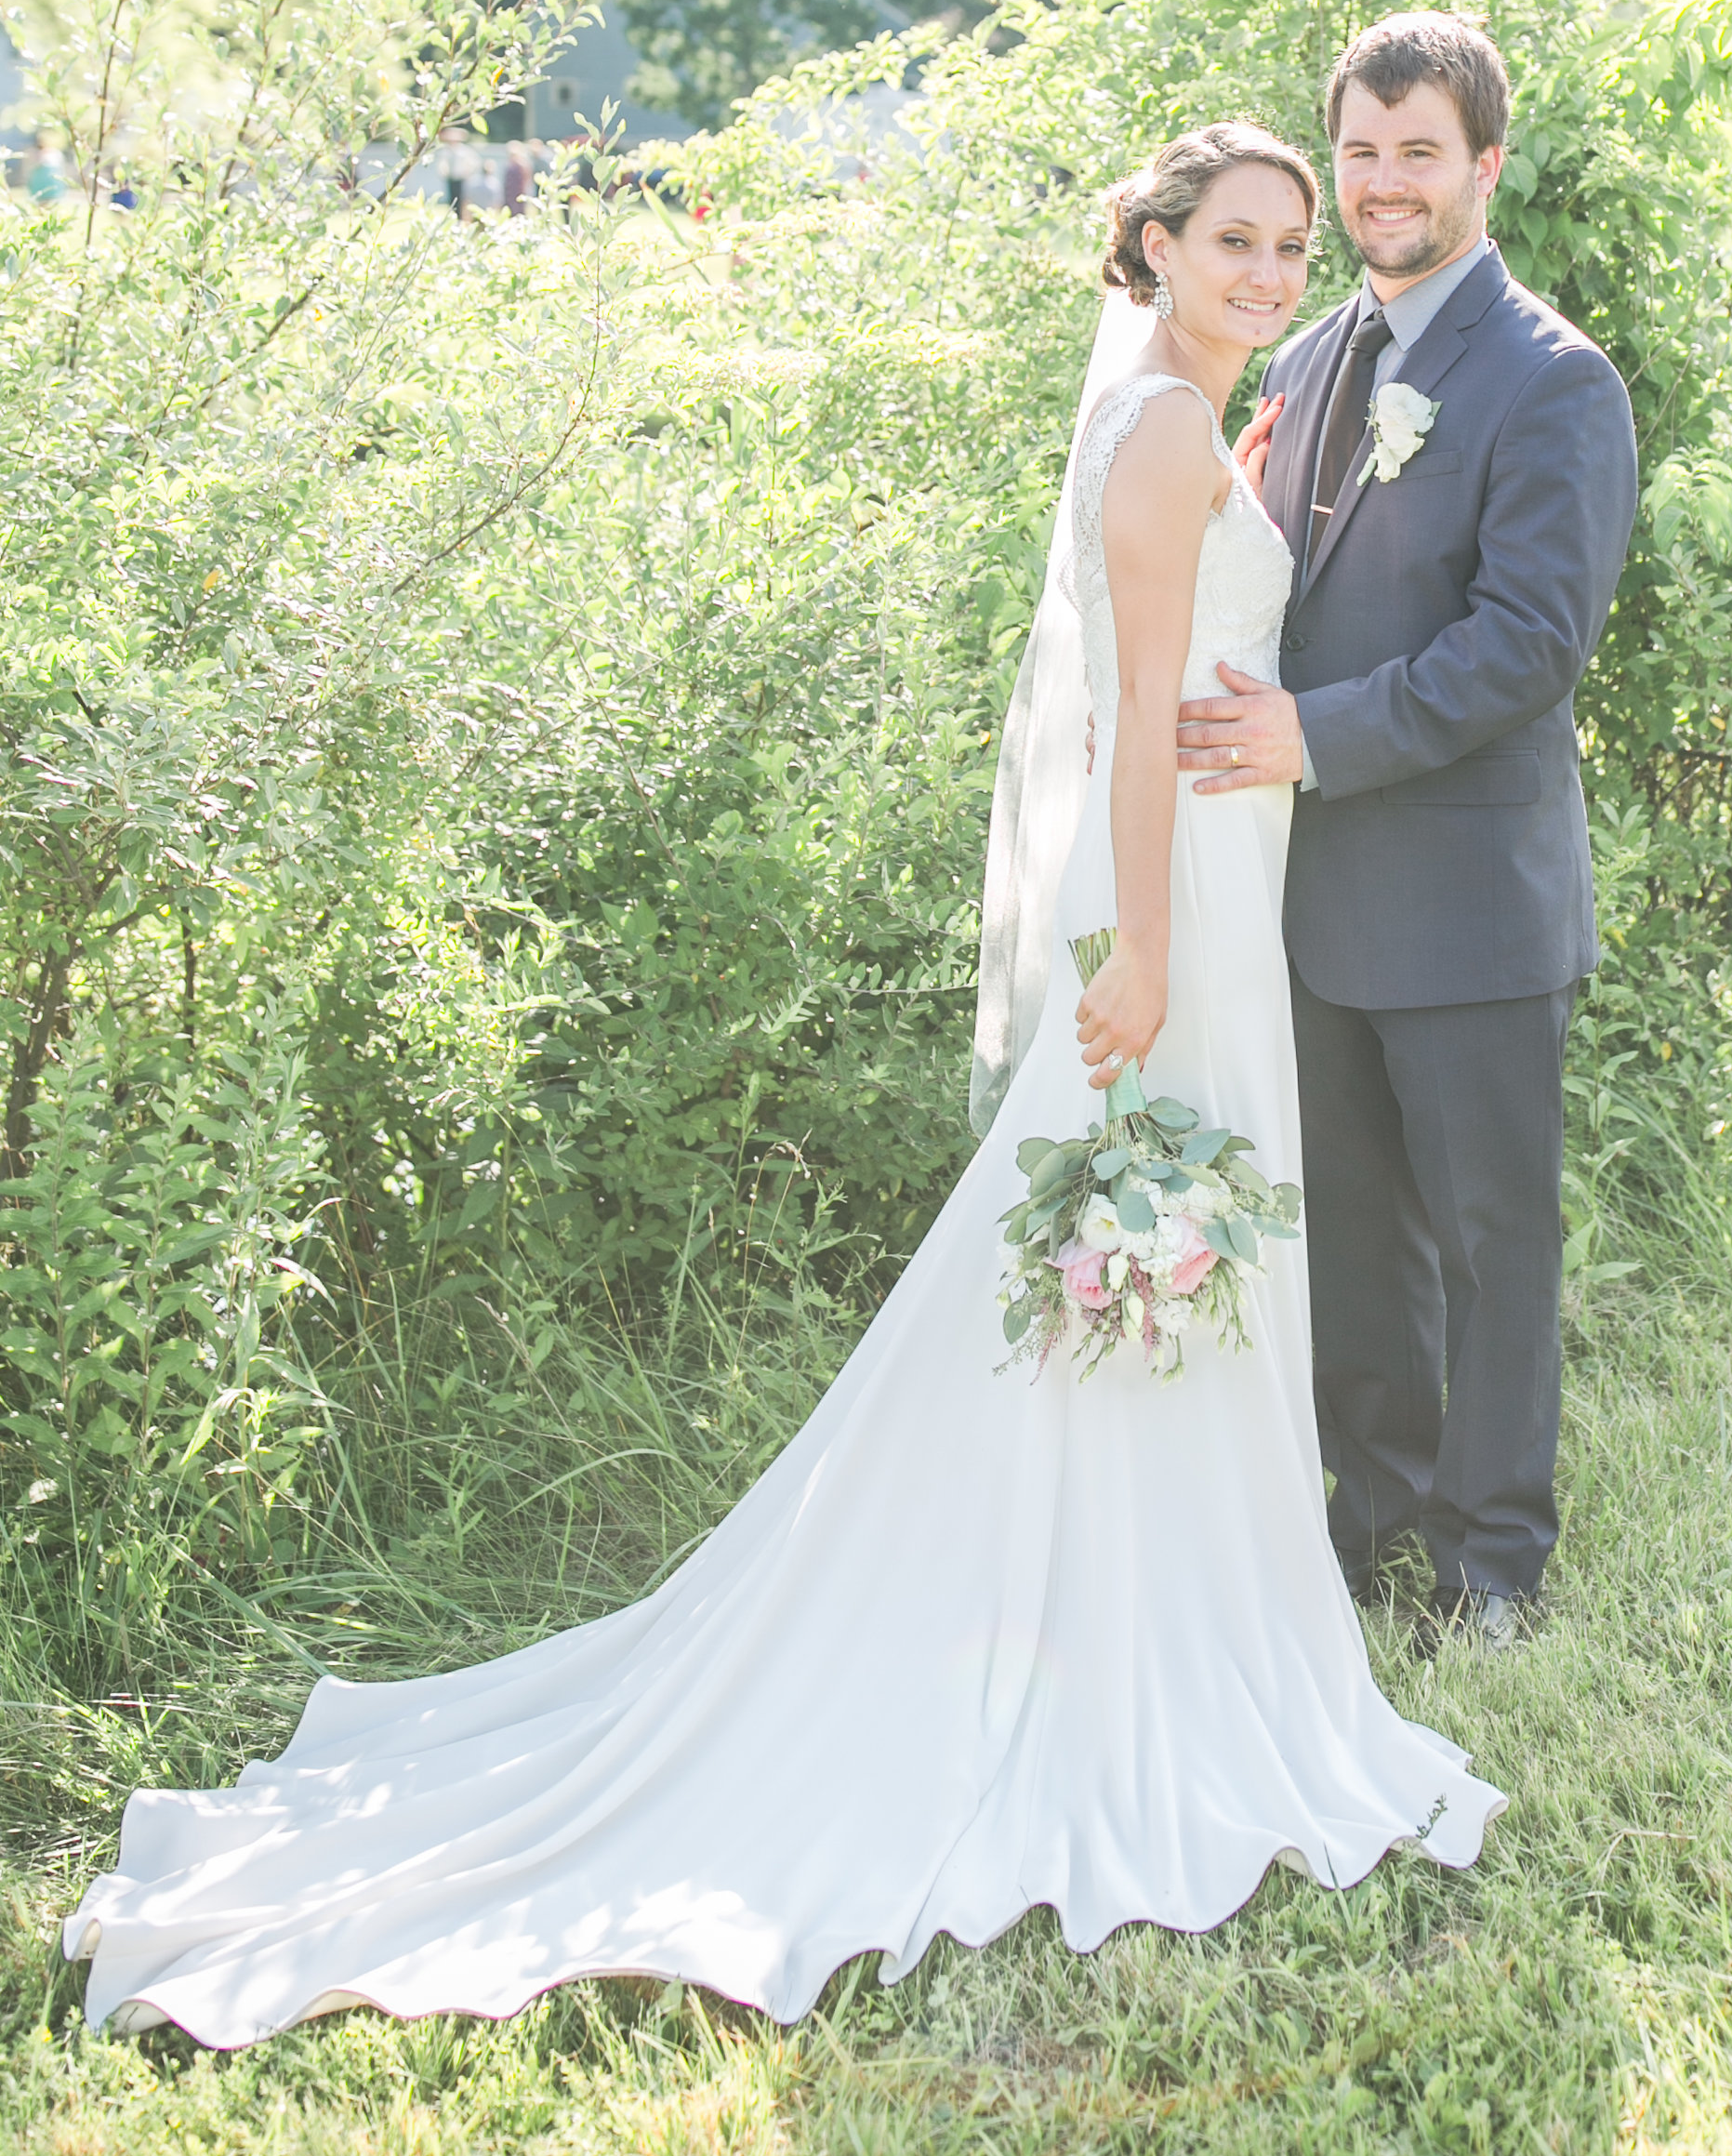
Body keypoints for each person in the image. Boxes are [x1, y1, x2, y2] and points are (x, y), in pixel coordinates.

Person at [62, 120, 1499, 2049]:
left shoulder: (1180, 415)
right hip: (1180, 897)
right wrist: (1143, 949)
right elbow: (1136, 721)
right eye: (1230, 239)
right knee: (1119, 1261)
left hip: (1220, 880)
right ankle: (1107, 1625)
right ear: (1149, 250)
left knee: (1139, 1273)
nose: (1264, 271)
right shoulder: (1160, 433)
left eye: (1285, 245)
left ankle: (1143, 1600)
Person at [1176, 15, 1636, 1650]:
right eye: (1359, 151)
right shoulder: (1305, 367)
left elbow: (1530, 643)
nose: (1381, 183)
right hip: (1312, 899)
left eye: (1416, 151)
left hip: (1474, 901)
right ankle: (1369, 1529)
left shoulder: (1553, 378)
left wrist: (1315, 733)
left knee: (1499, 1243)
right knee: (1357, 1243)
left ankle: (1494, 1561)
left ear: (1484, 164)